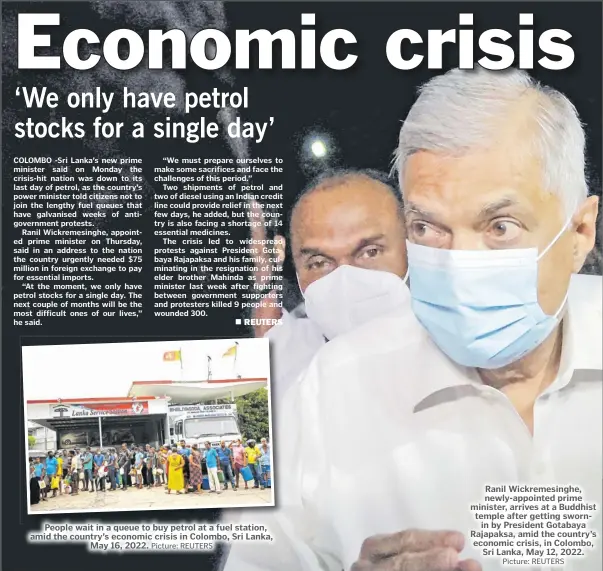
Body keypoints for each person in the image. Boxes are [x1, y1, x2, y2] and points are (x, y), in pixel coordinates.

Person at [224, 68, 602, 571]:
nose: (461, 265)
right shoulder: (329, 394)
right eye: (428, 227)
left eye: (499, 227)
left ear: (579, 232)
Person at [262, 170, 410, 400]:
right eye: (319, 263)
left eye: (370, 252)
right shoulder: (281, 371)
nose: (345, 277)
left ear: (412, 246)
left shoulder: (468, 361)